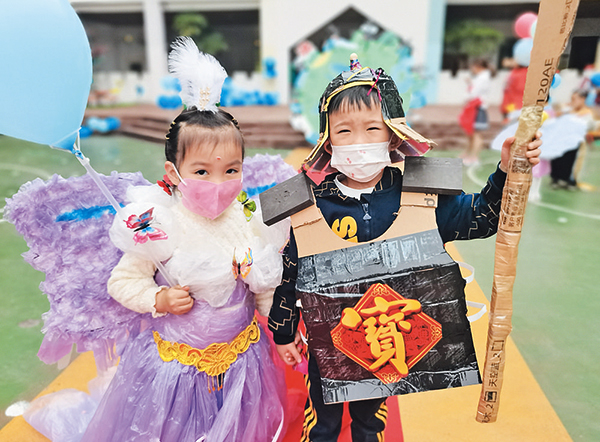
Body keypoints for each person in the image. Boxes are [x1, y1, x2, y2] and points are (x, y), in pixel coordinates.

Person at [268, 55, 541, 442]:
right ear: (327, 139)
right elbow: (290, 272)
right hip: (327, 342)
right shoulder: (310, 202)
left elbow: (482, 218)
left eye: (372, 128)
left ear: (393, 135)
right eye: (344, 130)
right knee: (322, 426)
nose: (358, 142)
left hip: (386, 344)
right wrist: (283, 332)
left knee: (369, 423)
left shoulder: (420, 195)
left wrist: (506, 171)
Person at [79, 37, 287, 441]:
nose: (219, 183)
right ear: (173, 173)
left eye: (231, 170)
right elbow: (123, 281)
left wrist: (280, 327)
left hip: (242, 358)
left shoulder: (246, 217)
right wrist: (158, 299)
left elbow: (262, 284)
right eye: (202, 171)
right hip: (177, 369)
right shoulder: (157, 223)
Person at [550, 89, 596, 189]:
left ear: (582, 99)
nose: (572, 101)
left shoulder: (586, 113)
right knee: (557, 159)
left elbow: (589, 126)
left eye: (574, 99)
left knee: (572, 162)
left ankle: (569, 179)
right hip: (561, 141)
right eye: (572, 99)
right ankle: (556, 178)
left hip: (575, 143)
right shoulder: (567, 109)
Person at [458, 58, 492, 165]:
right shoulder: (481, 77)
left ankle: (474, 157)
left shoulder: (483, 78)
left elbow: (474, 93)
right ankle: (468, 154)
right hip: (475, 107)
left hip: (477, 107)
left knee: (476, 134)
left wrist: (467, 95)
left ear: (478, 66)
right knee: (471, 133)